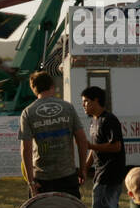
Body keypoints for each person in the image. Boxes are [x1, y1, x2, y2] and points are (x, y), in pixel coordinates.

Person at [19, 71, 89, 199]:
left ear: (34, 89)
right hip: (67, 175)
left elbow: (26, 149)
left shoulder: (28, 112)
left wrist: (30, 181)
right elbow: (82, 140)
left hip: (42, 178)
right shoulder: (68, 107)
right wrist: (83, 169)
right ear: (52, 85)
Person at [81, 86, 127, 208]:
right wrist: (84, 169)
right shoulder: (94, 121)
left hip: (110, 174)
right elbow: (94, 149)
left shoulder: (109, 120)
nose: (83, 105)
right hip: (100, 173)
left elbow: (116, 146)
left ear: (96, 100)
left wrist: (91, 146)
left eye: (86, 101)